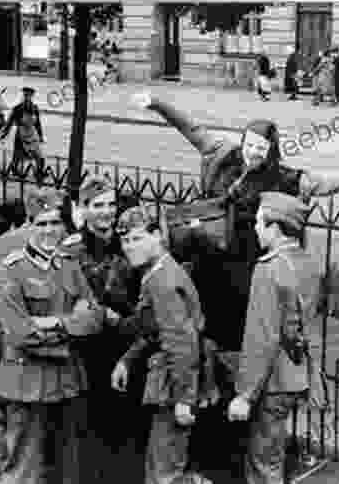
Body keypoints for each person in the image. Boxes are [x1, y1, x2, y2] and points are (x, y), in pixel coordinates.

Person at [132, 92, 339, 478]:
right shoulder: (222, 156)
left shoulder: (284, 179)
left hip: (249, 281)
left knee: (243, 353)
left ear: (272, 149)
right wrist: (157, 103)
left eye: (261, 148)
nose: (252, 153)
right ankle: (208, 441)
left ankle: (235, 440)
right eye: (249, 145)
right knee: (201, 350)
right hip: (208, 269)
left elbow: (323, 185)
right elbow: (191, 128)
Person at [0, 187, 106, 484]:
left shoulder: (69, 266)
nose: (49, 230)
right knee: (25, 467)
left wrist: (53, 322)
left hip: (66, 381)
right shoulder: (11, 270)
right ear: (29, 225)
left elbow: (94, 318)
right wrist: (71, 326)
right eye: (41, 223)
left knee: (67, 466)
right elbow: (20, 333)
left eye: (55, 223)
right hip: (27, 379)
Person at [228, 192, 327, 484]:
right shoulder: (308, 262)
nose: (256, 228)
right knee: (273, 457)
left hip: (272, 382)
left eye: (259, 222)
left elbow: (262, 338)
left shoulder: (268, 269)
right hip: (296, 377)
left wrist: (245, 394)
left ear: (275, 226)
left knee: (263, 465)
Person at [111, 205, 207, 484]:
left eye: (137, 239)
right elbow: (155, 330)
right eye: (126, 241)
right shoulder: (157, 271)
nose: (129, 247)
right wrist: (127, 360)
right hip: (171, 378)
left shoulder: (163, 281)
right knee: (161, 465)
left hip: (174, 381)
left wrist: (184, 400)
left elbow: (181, 342)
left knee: (164, 473)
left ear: (157, 236)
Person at [60, 175, 147, 484]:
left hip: (124, 349)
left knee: (125, 429)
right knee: (84, 430)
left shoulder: (129, 246)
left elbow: (143, 302)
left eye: (111, 204)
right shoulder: (71, 251)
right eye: (97, 205)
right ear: (83, 209)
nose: (107, 212)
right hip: (84, 351)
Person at [0, 86, 46, 184]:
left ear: (32, 97)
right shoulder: (17, 109)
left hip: (32, 135)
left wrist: (41, 136)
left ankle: (39, 172)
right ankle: (14, 170)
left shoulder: (34, 108)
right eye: (25, 95)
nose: (27, 98)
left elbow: (38, 123)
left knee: (40, 156)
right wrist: (4, 134)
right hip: (21, 136)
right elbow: (10, 122)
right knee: (17, 156)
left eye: (29, 96)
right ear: (23, 96)